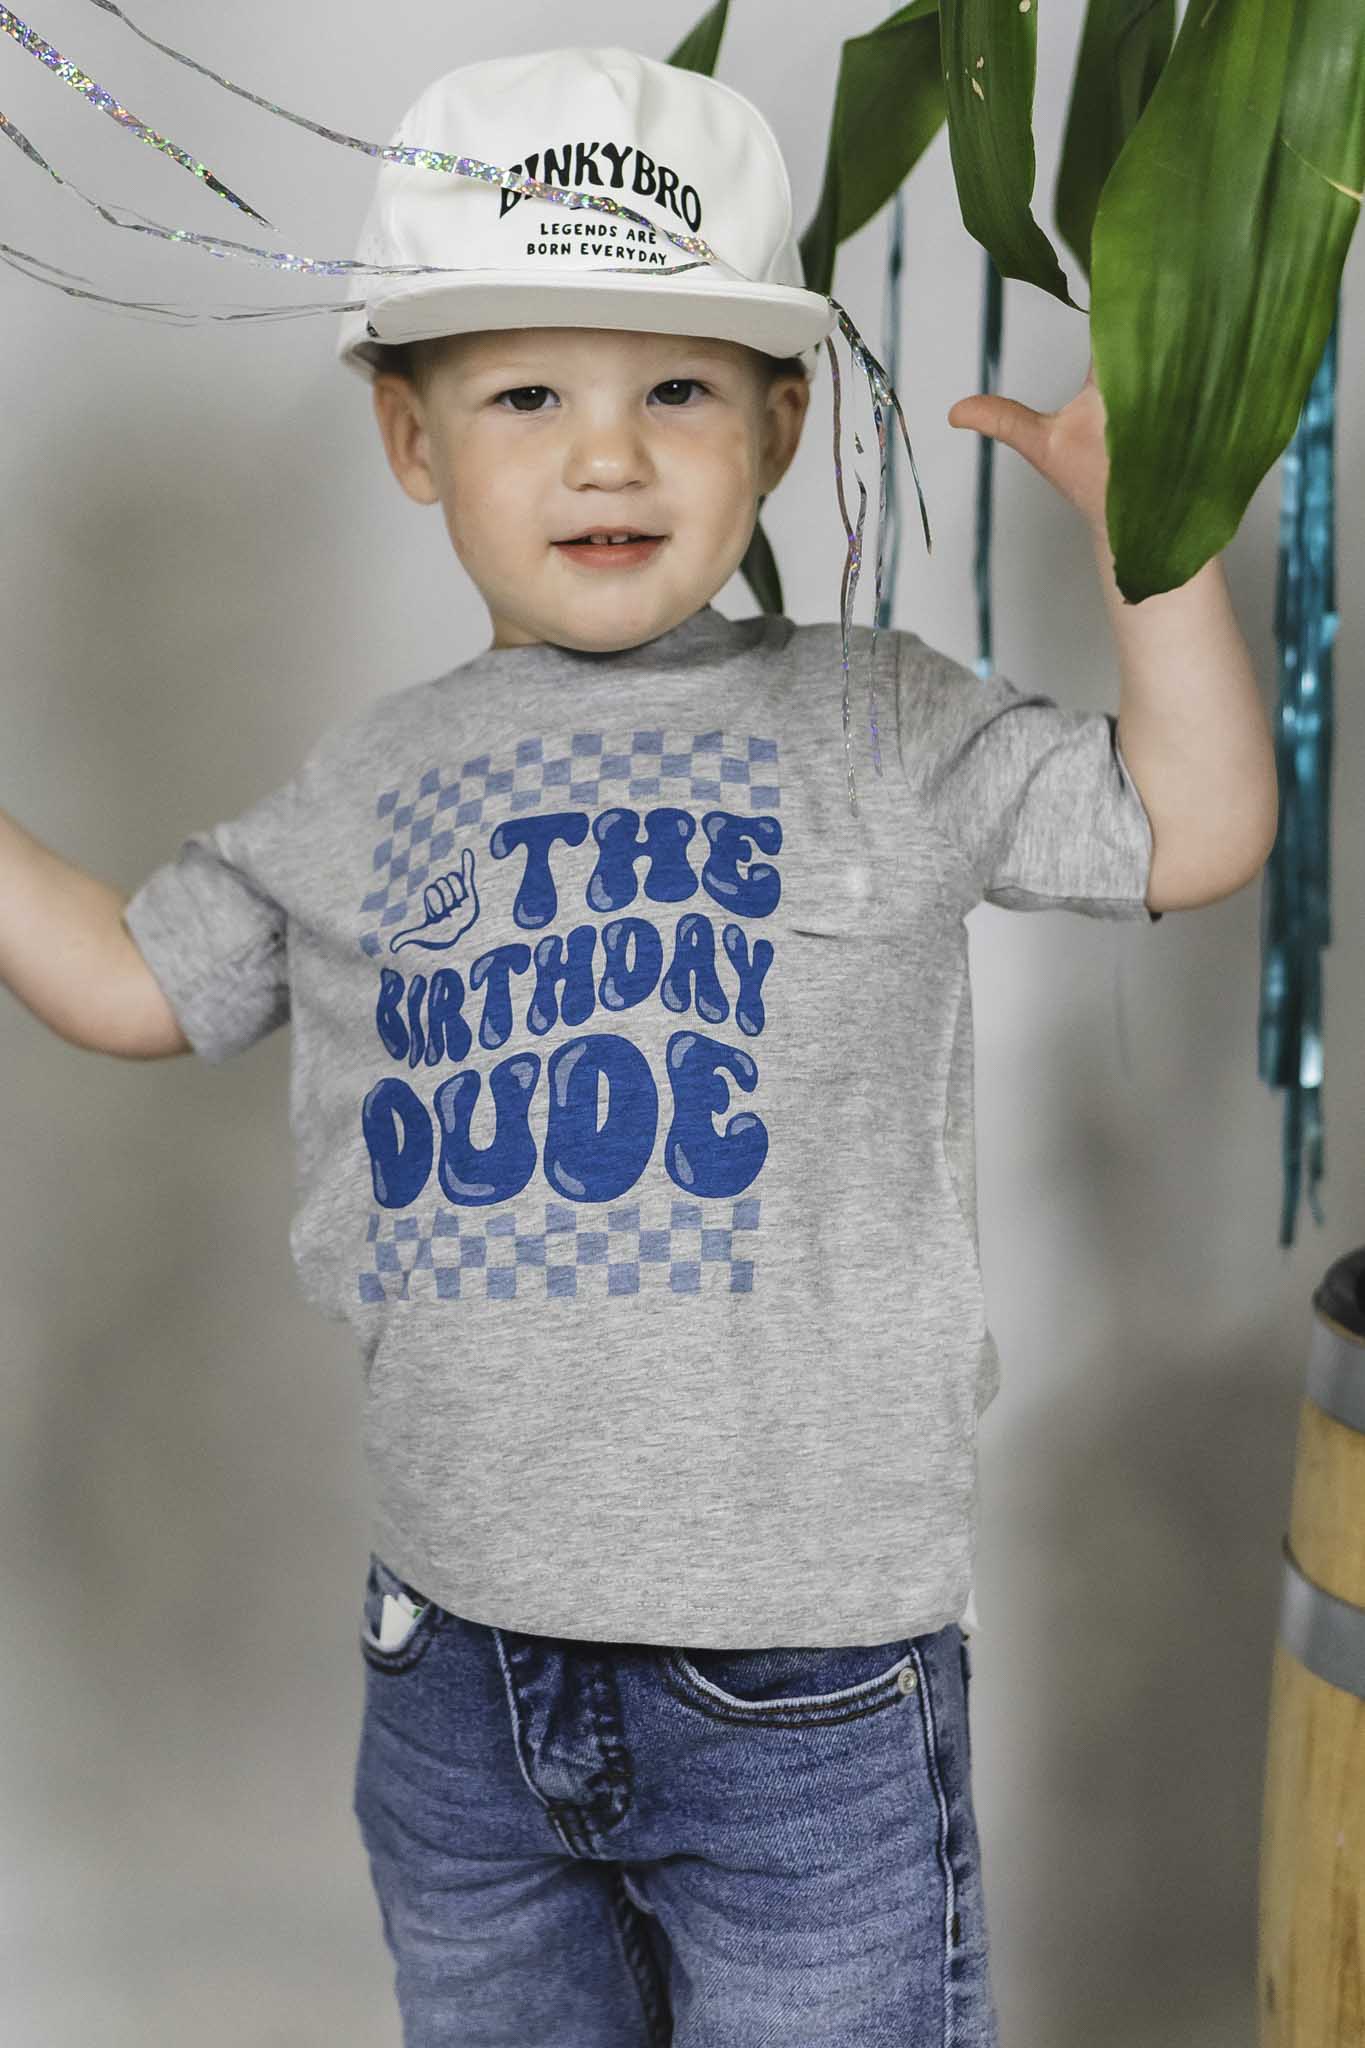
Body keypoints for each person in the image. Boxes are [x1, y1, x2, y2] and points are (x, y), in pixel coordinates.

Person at [0, 42, 1277, 2048]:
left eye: (674, 390)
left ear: (776, 426)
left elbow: (1188, 829)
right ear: (412, 441)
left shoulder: (870, 719)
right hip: (456, 1677)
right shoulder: (373, 776)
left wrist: (1157, 550)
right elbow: (130, 984)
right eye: (527, 397)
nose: (604, 457)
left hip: (799, 1693)